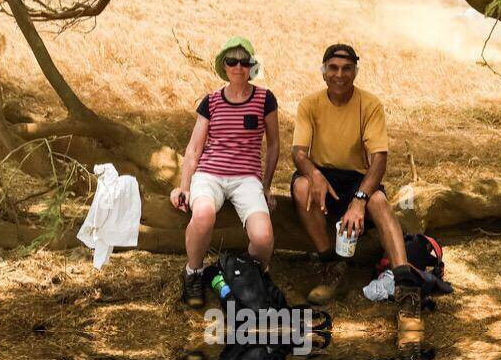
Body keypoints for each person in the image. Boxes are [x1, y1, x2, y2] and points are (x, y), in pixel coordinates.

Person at [291, 42, 422, 304]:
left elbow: (379, 160)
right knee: (302, 186)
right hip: (323, 175)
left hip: (357, 178)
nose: (340, 75)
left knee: (380, 201)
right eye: (333, 68)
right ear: (324, 71)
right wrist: (315, 175)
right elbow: (298, 153)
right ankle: (332, 266)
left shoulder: (370, 104)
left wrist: (360, 199)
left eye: (347, 69)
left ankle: (405, 282)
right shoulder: (309, 104)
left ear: (355, 72)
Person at [171, 37, 279, 307]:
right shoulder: (211, 101)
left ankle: (248, 277)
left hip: (247, 178)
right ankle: (193, 273)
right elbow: (195, 148)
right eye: (232, 61)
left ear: (252, 65)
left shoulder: (265, 99)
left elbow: (275, 143)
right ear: (224, 65)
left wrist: (266, 185)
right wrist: (185, 186)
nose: (238, 66)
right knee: (204, 215)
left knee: (263, 238)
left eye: (244, 61)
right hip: (210, 174)